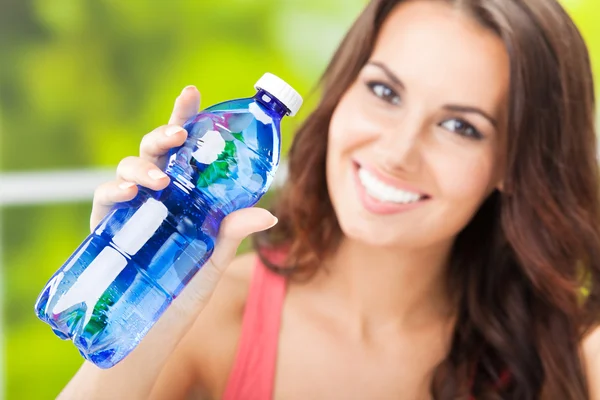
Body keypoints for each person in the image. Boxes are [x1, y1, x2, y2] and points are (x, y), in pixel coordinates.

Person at [58, 0, 600, 398]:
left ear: (515, 162)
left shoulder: (563, 350)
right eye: (384, 92)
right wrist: (142, 289)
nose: (397, 152)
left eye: (460, 126)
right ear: (342, 93)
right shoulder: (218, 311)